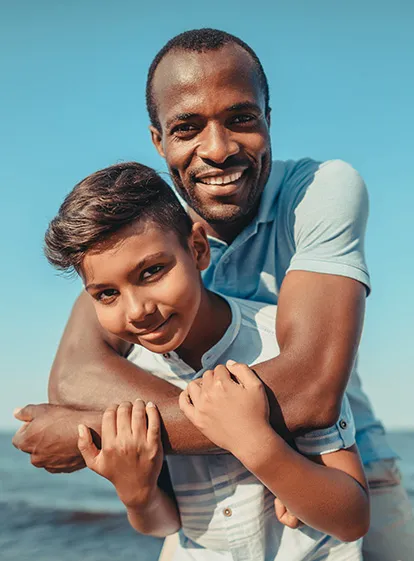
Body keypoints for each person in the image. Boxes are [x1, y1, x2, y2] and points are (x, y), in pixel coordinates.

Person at [12, 28, 414, 560]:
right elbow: (75, 376)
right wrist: (135, 459)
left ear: (269, 118)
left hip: (336, 469)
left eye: (241, 118)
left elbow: (311, 390)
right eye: (187, 127)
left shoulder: (320, 192)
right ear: (159, 141)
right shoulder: (143, 240)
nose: (218, 149)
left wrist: (92, 428)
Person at [45, 161, 369, 560]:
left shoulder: (280, 350)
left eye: (152, 272)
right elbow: (166, 525)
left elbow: (352, 517)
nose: (137, 310)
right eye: (106, 294)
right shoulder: (131, 381)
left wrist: (257, 445)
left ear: (197, 249)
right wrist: (137, 492)